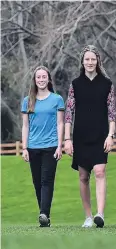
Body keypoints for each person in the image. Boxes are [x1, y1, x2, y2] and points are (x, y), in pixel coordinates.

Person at [64, 45, 116, 228]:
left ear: (98, 61)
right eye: (87, 59)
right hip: (80, 135)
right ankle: (88, 216)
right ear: (82, 62)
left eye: (93, 59)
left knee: (100, 171)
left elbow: (112, 113)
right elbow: (68, 113)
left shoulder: (107, 84)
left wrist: (111, 135)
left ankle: (100, 214)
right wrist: (67, 139)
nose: (90, 62)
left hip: (101, 134)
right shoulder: (75, 85)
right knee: (83, 176)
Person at [20, 66, 65, 227]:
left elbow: (60, 123)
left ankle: (44, 213)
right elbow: (25, 126)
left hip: (51, 146)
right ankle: (44, 216)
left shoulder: (57, 99)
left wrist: (60, 145)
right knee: (37, 181)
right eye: (38, 77)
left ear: (48, 79)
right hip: (33, 147)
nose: (41, 80)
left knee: (47, 180)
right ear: (35, 80)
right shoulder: (27, 101)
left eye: (43, 77)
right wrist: (24, 148)